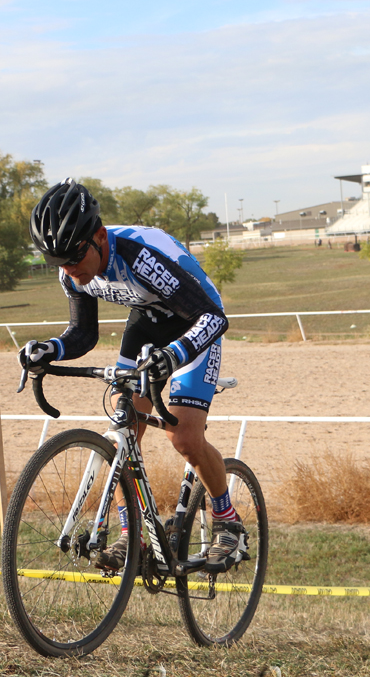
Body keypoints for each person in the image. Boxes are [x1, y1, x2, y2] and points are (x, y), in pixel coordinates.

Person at [19, 179, 243, 573]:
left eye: (73, 257)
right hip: (148, 325)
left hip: (195, 324)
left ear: (99, 237)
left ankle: (229, 522)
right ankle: (133, 535)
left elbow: (214, 318)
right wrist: (50, 349)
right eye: (59, 263)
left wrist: (173, 356)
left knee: (185, 438)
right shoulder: (72, 271)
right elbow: (83, 334)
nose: (69, 269)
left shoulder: (141, 257)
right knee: (125, 426)